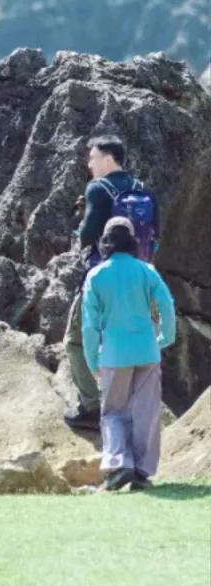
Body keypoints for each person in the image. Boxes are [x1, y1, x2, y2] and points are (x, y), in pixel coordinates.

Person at [63, 134, 156, 431]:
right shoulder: (142, 190)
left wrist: (78, 231)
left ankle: (91, 406)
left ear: (107, 159)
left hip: (102, 279)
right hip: (138, 280)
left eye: (92, 158)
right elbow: (156, 234)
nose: (89, 164)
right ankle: (130, 406)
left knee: (75, 341)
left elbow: (89, 232)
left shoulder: (97, 189)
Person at [82, 216, 175, 491]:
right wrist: (165, 337)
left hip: (113, 355)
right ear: (133, 241)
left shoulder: (96, 276)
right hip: (147, 350)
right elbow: (166, 304)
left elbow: (89, 326)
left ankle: (119, 463)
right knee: (146, 411)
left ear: (106, 243)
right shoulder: (146, 271)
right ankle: (142, 470)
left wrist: (92, 361)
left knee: (113, 411)